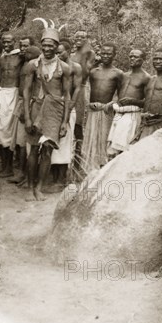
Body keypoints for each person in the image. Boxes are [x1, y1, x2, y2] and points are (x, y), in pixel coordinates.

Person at [24, 28, 71, 202]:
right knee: (34, 149)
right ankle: (30, 187)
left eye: (51, 45)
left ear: (57, 46)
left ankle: (39, 187)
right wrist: (28, 117)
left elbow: (67, 95)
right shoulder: (33, 65)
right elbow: (27, 90)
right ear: (41, 45)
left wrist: (65, 121)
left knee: (47, 150)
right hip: (37, 107)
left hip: (55, 112)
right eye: (44, 45)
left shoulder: (64, 68)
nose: (47, 49)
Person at [81, 43, 123, 173]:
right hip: (93, 111)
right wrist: (88, 103)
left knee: (104, 139)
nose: (105, 56)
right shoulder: (93, 72)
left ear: (114, 55)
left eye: (109, 54)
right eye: (103, 53)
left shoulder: (118, 73)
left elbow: (120, 96)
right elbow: (86, 88)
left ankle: (103, 170)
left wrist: (110, 104)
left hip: (106, 112)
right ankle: (88, 170)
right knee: (91, 138)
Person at [49, 41, 82, 188]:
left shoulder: (75, 67)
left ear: (69, 51)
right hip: (53, 106)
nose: (57, 55)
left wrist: (69, 107)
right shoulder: (54, 65)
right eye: (56, 53)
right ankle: (53, 176)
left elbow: (76, 89)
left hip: (68, 106)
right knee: (52, 140)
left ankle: (62, 179)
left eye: (60, 52)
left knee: (65, 140)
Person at [107, 49, 150, 157]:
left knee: (126, 148)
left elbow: (148, 102)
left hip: (132, 115)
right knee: (112, 148)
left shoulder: (146, 77)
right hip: (119, 114)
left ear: (143, 60)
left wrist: (134, 101)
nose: (132, 59)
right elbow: (118, 94)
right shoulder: (123, 75)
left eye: (135, 57)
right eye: (130, 56)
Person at [0, 33, 23, 178]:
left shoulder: (20, 57)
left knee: (8, 131)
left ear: (14, 42)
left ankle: (9, 168)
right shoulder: (2, 58)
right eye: (4, 41)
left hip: (13, 93)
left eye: (9, 41)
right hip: (2, 93)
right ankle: (4, 167)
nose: (6, 44)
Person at [133, 48, 162, 142]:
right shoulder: (151, 79)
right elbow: (147, 101)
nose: (158, 61)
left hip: (160, 122)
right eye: (155, 58)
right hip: (145, 122)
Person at [10, 45, 41, 187]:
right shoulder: (27, 65)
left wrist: (25, 109)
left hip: (31, 105)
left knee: (26, 143)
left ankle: (26, 175)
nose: (25, 53)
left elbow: (30, 89)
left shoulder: (33, 66)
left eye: (28, 52)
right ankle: (24, 174)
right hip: (25, 102)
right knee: (22, 142)